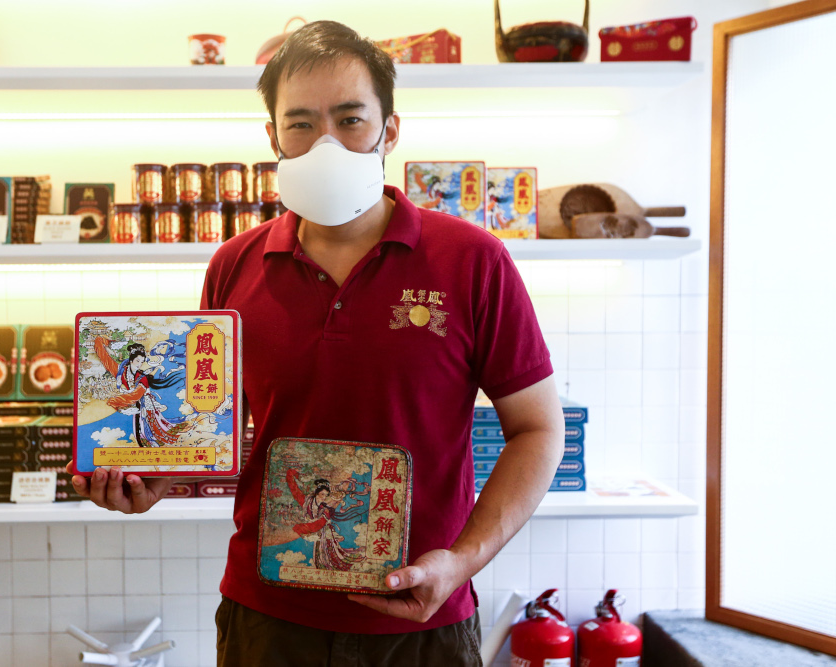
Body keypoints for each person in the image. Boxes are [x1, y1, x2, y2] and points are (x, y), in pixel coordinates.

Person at [70, 20, 565, 666]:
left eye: (350, 119)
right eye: (300, 123)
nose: (324, 142)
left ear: (389, 130)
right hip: (269, 618)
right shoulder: (234, 266)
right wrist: (153, 477)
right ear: (272, 136)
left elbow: (538, 429)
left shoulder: (473, 260)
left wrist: (461, 561)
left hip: (424, 619)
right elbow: (210, 426)